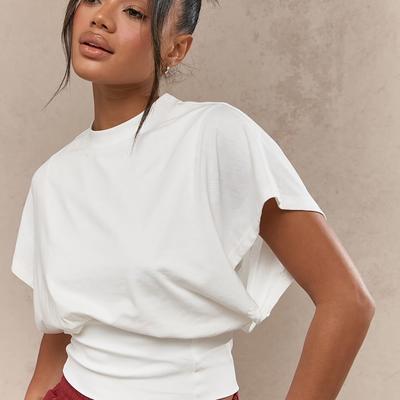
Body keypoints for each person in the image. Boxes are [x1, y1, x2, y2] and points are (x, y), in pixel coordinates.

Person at [11, 1, 375, 399]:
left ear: (176, 48)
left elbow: (347, 300)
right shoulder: (52, 178)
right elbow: (59, 342)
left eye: (134, 12)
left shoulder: (214, 135)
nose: (101, 17)